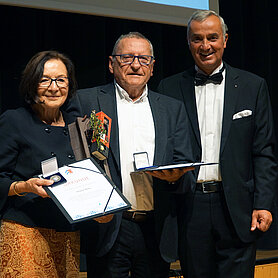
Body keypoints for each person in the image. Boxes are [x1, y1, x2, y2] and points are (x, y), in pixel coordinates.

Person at [157, 10, 278, 278]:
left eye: (212, 37)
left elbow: (264, 152)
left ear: (225, 39)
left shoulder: (252, 86)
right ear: (188, 42)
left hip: (237, 206)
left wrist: (264, 203)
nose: (205, 46)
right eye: (197, 39)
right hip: (190, 206)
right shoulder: (169, 87)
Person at [66, 32, 194, 278]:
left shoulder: (171, 108)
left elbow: (186, 166)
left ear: (153, 67)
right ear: (111, 64)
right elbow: (73, 159)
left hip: (155, 227)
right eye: (127, 58)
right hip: (110, 227)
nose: (136, 64)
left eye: (143, 59)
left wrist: (175, 177)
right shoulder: (86, 101)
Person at [0, 50, 80, 277]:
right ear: (31, 83)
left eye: (61, 80)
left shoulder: (76, 125)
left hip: (67, 234)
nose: (54, 87)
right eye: (44, 80)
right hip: (24, 232)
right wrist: (23, 187)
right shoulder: (14, 120)